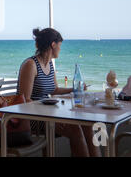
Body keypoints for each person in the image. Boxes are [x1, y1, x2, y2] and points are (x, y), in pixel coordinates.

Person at [17, 27, 101, 157]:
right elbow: (24, 100)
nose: (60, 49)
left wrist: (75, 89)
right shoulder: (31, 64)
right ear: (53, 44)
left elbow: (54, 90)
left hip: (48, 114)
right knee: (75, 129)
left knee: (88, 125)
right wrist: (46, 110)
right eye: (60, 45)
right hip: (33, 118)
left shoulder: (50, 64)